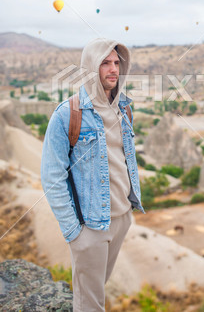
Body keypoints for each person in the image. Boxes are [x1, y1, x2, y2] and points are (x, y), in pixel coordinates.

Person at [41, 38, 144, 311]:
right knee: (90, 304)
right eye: (105, 63)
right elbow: (52, 177)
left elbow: (123, 161)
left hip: (122, 219)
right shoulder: (67, 115)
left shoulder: (124, 109)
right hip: (91, 227)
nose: (113, 70)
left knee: (97, 290)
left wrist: (128, 212)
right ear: (89, 68)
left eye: (116, 63)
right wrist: (75, 233)